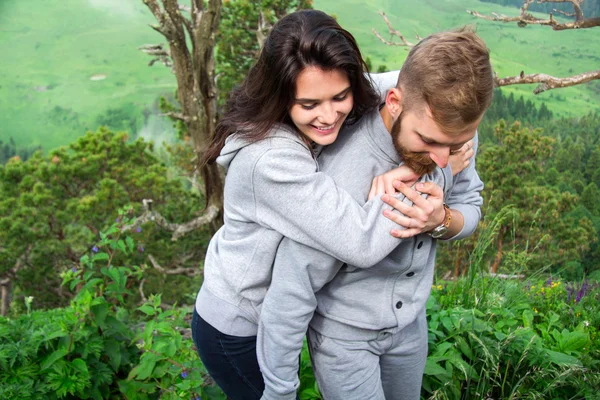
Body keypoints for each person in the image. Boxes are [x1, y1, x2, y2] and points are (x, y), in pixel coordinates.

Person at [190, 10, 472, 400]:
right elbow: (359, 241)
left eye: (340, 96)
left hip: (285, 317)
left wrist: (449, 104)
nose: (329, 115)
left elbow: (400, 88)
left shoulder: (331, 92)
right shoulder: (270, 161)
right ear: (281, 95)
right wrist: (419, 174)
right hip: (241, 322)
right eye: (309, 104)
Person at [257, 27, 493, 400]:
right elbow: (291, 289)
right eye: (428, 141)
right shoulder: (343, 171)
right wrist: (281, 390)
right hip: (345, 341)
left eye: (457, 144)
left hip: (410, 328)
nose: (444, 161)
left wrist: (441, 221)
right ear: (395, 101)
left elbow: (470, 206)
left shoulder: (452, 129)